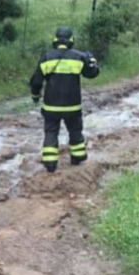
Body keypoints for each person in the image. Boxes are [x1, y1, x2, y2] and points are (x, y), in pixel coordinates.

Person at [29, 27, 100, 173]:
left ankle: (50, 164)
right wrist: (92, 62)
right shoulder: (79, 57)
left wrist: (35, 96)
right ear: (71, 40)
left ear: (55, 40)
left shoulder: (47, 57)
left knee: (50, 132)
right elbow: (91, 74)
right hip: (72, 107)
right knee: (75, 130)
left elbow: (36, 82)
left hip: (50, 107)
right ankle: (77, 157)